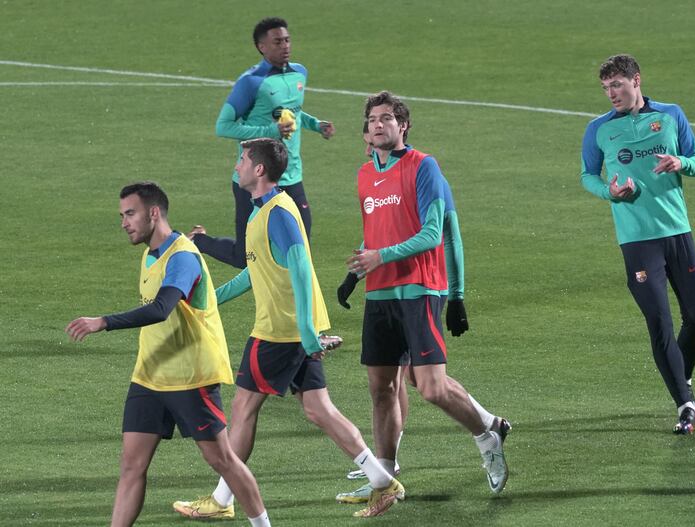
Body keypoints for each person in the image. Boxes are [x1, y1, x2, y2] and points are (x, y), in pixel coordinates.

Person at [172, 138, 404, 520]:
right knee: (319, 410)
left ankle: (222, 500)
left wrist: (308, 331)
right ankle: (383, 481)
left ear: (259, 169)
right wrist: (208, 302)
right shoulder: (260, 212)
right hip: (291, 329)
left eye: (242, 160)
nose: (236, 166)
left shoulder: (279, 212)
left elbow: (299, 266)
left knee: (244, 408)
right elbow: (255, 272)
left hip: (279, 332)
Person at [65, 182, 271, 527]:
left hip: (191, 377)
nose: (124, 223)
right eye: (122, 215)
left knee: (222, 460)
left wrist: (103, 322)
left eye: (130, 214)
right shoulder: (150, 254)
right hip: (149, 375)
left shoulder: (183, 256)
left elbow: (161, 309)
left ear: (154, 213)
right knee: (131, 466)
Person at [344, 91, 510, 497]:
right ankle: (383, 476)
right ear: (366, 131)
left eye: (387, 118)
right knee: (381, 388)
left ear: (403, 125)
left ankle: (487, 435)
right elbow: (377, 231)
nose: (378, 124)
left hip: (420, 289)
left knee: (430, 387)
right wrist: (356, 274)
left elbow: (435, 234)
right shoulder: (365, 175)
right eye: (372, 119)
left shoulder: (424, 167)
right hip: (381, 294)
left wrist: (457, 294)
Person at [580, 54, 695, 434]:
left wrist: (679, 163)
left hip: (677, 231)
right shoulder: (599, 129)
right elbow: (587, 175)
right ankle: (686, 405)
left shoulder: (670, 115)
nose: (611, 94)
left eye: (617, 85)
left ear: (636, 80)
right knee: (660, 323)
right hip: (637, 241)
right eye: (605, 88)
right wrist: (610, 192)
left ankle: (680, 379)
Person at [191, 16, 335, 268]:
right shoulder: (251, 82)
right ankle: (201, 242)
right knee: (244, 257)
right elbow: (223, 126)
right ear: (262, 47)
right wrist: (271, 130)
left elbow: (294, 112)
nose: (285, 46)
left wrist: (316, 125)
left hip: (291, 177)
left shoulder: (300, 73)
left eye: (287, 40)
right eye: (277, 42)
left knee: (301, 254)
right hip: (254, 180)